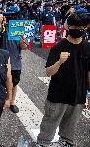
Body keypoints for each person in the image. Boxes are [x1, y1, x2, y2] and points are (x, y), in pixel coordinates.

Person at [36, 13, 90, 147]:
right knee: (50, 121)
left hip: (78, 95)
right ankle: (43, 142)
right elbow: (48, 72)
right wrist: (59, 62)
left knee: (71, 124)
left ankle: (66, 142)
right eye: (74, 26)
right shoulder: (58, 47)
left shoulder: (88, 47)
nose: (78, 29)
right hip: (57, 94)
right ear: (68, 27)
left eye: (82, 26)